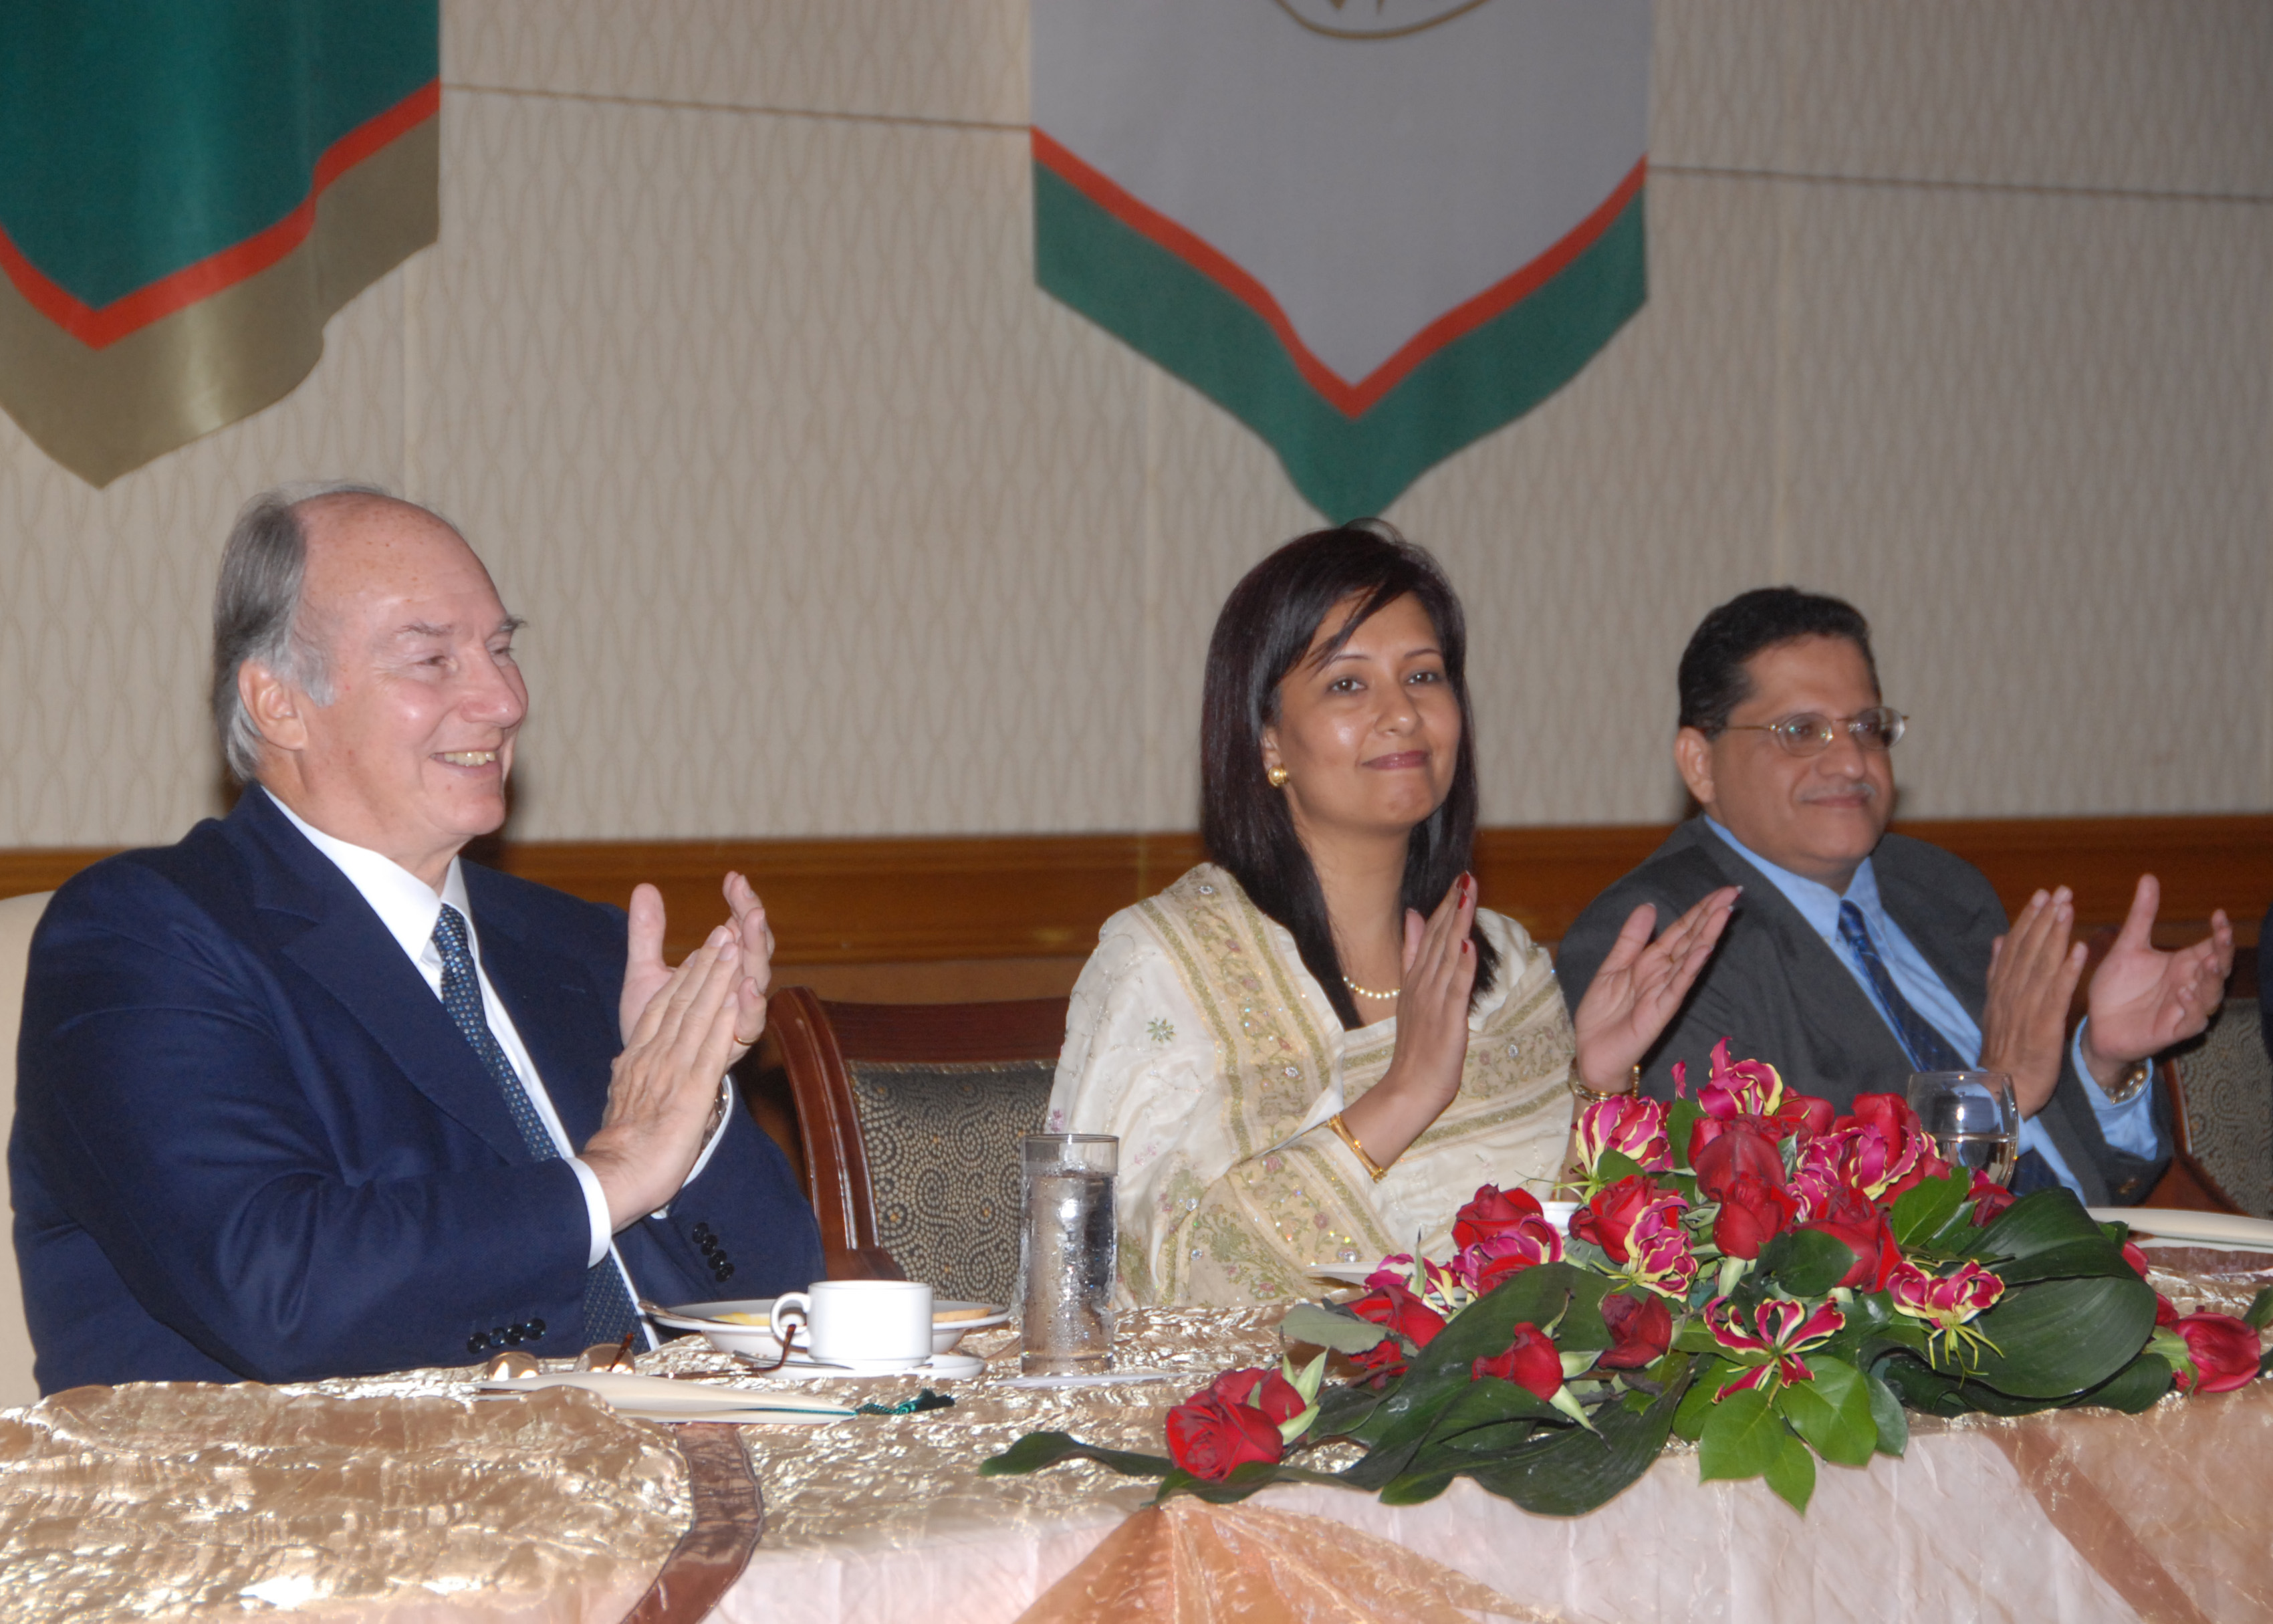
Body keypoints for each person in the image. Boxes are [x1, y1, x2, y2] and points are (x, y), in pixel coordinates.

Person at [11, 485, 823, 1392]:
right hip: (307, 1511)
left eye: (501, 649)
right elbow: (277, 1290)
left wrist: (693, 1109)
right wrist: (612, 1176)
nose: (505, 699)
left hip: (693, 1479)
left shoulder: (587, 951)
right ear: (279, 703)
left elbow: (787, 1296)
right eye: (432, 658)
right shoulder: (144, 937)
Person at [1048, 524, 1735, 1307]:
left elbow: (1562, 1273)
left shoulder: (1503, 961)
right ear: (1268, 738)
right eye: (1347, 683)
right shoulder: (1166, 962)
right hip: (1265, 1418)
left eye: (1424, 675)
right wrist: (1402, 1093)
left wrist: (1596, 1086)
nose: (1402, 713)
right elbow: (1133, 1289)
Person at [1558, 586, 2234, 1207]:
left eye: (1866, 726)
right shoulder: (1659, 937)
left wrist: (2104, 1060)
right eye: (1801, 732)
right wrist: (1987, 1104)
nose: (1851, 761)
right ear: (1699, 763)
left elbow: (2103, 1181)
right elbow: (1752, 1233)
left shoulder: (1941, 889)